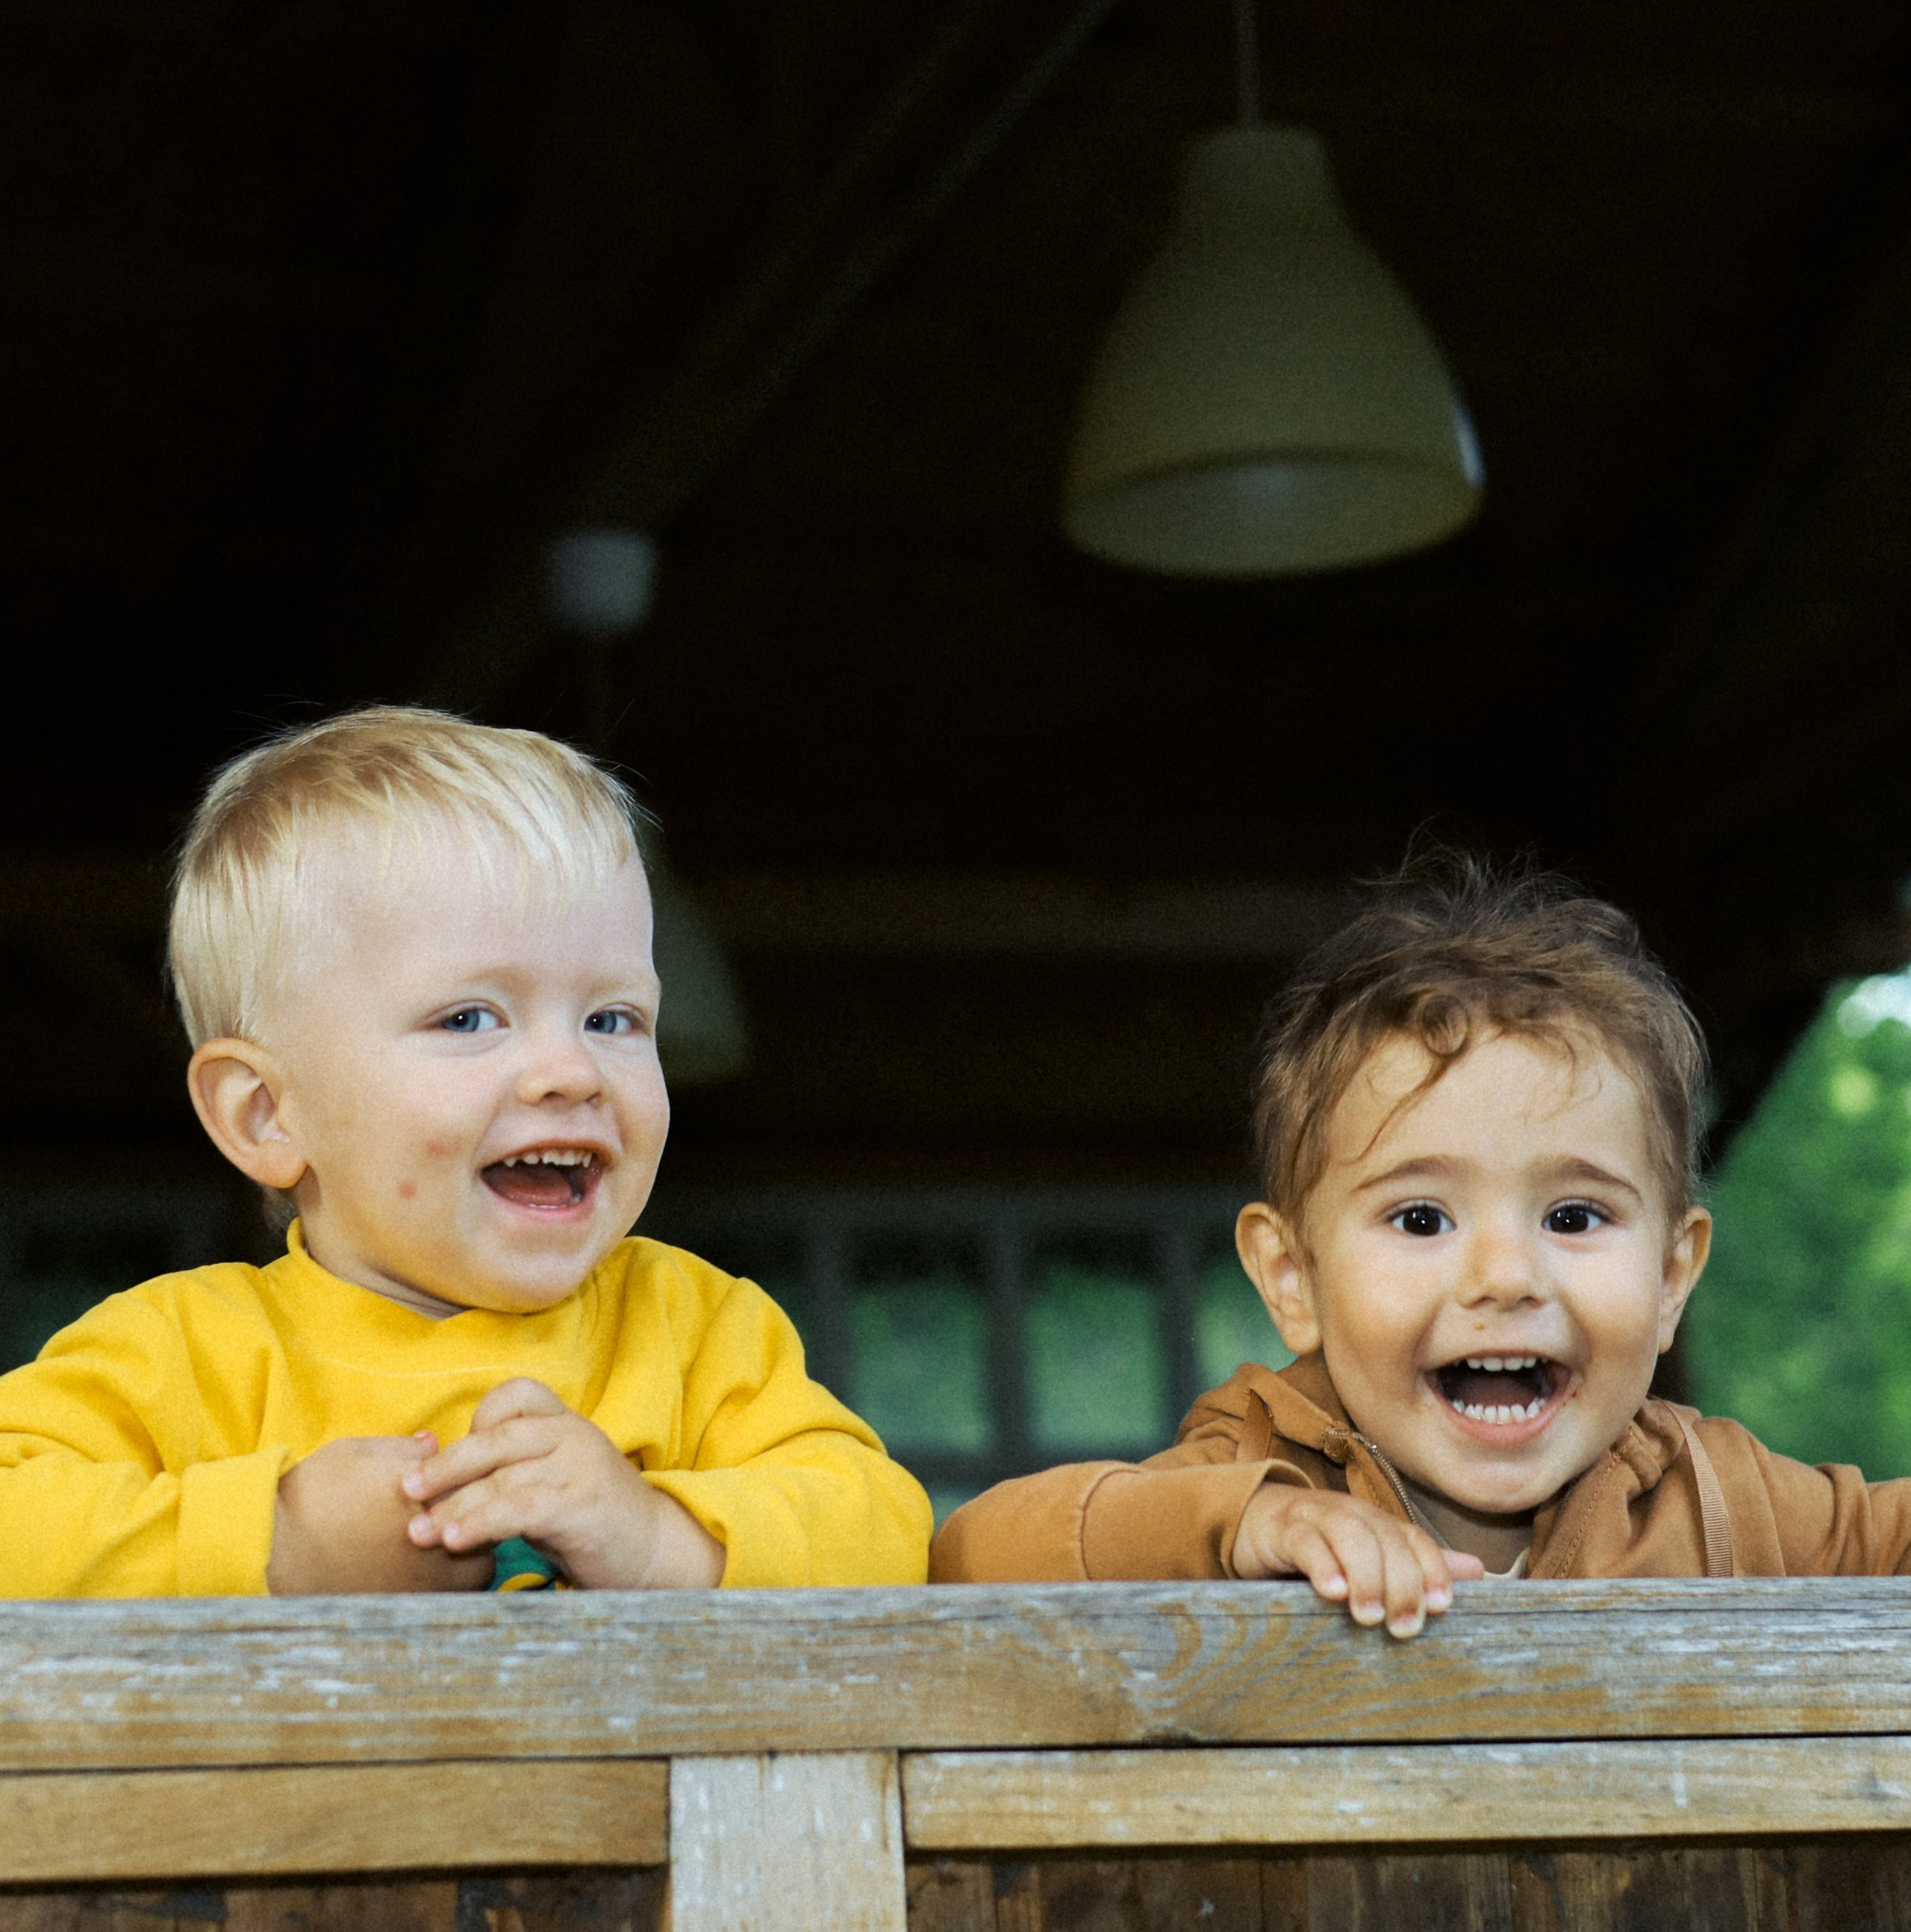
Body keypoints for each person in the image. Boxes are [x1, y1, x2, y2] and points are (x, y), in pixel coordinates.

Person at [0, 707, 930, 1598]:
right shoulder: (183, 1353)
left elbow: (885, 1526)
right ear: (266, 1114)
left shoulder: (696, 1331)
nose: (571, 1069)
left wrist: (653, 1538)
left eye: (613, 1017)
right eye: (470, 1016)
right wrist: (287, 1542)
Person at [932, 857, 1911, 1633]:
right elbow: (971, 1557)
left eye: (1573, 1218)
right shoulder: (1266, 1464)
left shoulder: (1717, 1495)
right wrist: (1247, 1525)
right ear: (1293, 1277)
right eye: (1420, 1219)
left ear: (1669, 1276)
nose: (1505, 1276)